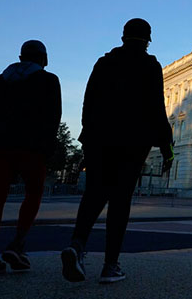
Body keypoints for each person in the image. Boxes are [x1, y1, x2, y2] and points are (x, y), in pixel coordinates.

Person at [61, 18, 173, 284]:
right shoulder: (150, 65)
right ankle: (110, 265)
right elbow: (157, 108)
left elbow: (88, 102)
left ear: (123, 37)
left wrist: (87, 137)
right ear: (147, 41)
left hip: (99, 139)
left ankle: (77, 245)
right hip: (133, 141)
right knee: (120, 200)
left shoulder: (104, 63)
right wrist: (166, 147)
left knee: (93, 194)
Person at [0, 40, 62, 277]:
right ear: (44, 59)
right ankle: (17, 243)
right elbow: (53, 117)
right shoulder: (48, 80)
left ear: (21, 57)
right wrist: (48, 149)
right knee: (33, 195)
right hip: (31, 148)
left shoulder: (0, 80)